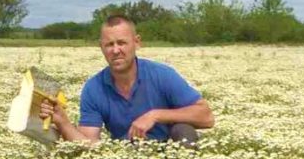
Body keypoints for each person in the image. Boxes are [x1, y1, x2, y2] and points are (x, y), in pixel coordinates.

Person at [39, 15, 214, 147]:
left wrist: (155, 115)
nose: (116, 50)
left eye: (122, 43)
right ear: (101, 47)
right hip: (128, 153)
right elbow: (89, 144)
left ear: (136, 43)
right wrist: (63, 122)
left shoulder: (162, 75)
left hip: (171, 151)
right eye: (109, 44)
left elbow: (207, 117)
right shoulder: (94, 88)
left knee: (184, 130)